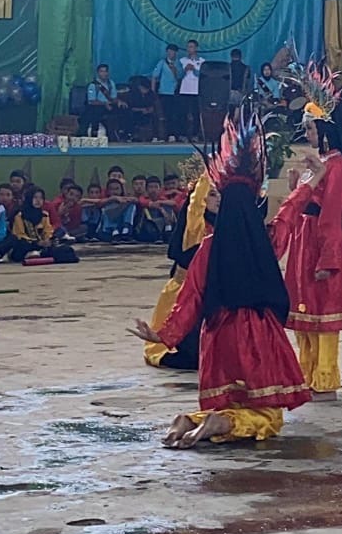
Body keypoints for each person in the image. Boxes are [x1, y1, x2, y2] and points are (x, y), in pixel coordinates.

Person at [128, 112, 311, 448]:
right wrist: (307, 182)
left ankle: (191, 420)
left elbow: (190, 299)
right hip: (257, 335)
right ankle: (217, 423)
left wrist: (161, 334)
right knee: (269, 416)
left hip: (218, 335)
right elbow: (288, 215)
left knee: (228, 399)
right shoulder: (266, 240)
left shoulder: (209, 248)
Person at [272, 81, 342, 402]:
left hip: (322, 242)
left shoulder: (338, 166)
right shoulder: (322, 163)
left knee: (324, 316)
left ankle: (325, 377)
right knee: (305, 314)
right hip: (305, 240)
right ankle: (305, 373)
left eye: (313, 128)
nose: (309, 133)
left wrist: (328, 260)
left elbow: (331, 214)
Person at [143, 177, 215, 371]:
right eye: (212, 195)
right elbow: (196, 205)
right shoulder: (195, 227)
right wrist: (208, 173)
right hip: (185, 297)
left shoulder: (228, 224)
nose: (218, 200)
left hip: (215, 296)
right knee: (193, 356)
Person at [11, 186, 57, 262]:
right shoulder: (20, 215)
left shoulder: (44, 215)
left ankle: (38, 253)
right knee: (21, 244)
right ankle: (32, 254)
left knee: (59, 243)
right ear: (29, 198)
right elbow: (19, 234)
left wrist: (47, 239)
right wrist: (36, 243)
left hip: (41, 245)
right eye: (35, 197)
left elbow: (48, 230)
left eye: (41, 198)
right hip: (28, 244)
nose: (38, 200)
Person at [151, 43, 183, 142]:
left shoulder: (178, 63)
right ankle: (161, 136)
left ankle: (172, 134)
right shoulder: (162, 62)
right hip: (164, 92)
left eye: (172, 52)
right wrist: (153, 92)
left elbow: (180, 77)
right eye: (169, 52)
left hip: (174, 93)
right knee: (163, 114)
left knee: (173, 115)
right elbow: (154, 76)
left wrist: (174, 70)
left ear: (176, 53)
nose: (170, 54)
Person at [86, 64, 126, 139]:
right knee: (95, 112)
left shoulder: (111, 83)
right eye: (101, 71)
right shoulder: (93, 85)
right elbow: (91, 101)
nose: (104, 73)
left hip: (109, 106)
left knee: (125, 109)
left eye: (105, 71)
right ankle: (94, 134)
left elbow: (113, 98)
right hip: (97, 106)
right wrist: (104, 104)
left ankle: (123, 133)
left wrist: (119, 101)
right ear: (98, 73)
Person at [178, 39, 204, 142]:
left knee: (196, 113)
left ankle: (195, 135)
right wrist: (185, 70)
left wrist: (194, 69)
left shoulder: (202, 61)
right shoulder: (182, 60)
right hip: (184, 90)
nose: (189, 49)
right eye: (188, 47)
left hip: (196, 91)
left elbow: (202, 76)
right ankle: (183, 134)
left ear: (196, 48)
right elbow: (178, 76)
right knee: (183, 113)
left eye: (192, 47)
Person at [96, 178, 136, 243]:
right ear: (108, 191)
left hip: (120, 230)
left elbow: (136, 200)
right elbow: (99, 203)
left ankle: (126, 230)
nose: (114, 191)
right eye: (111, 189)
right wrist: (113, 198)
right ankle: (115, 230)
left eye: (117, 189)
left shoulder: (124, 201)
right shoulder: (106, 201)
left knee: (131, 206)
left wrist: (125, 199)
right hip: (106, 232)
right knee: (109, 208)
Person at [122, 76, 158, 142]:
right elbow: (130, 108)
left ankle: (155, 135)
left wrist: (149, 110)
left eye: (146, 89)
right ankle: (130, 135)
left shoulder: (150, 94)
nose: (145, 91)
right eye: (143, 88)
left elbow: (153, 105)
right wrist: (141, 110)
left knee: (154, 116)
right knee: (129, 116)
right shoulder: (132, 94)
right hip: (135, 113)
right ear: (139, 87)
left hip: (147, 113)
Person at [228, 49, 252, 113]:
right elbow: (248, 84)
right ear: (241, 57)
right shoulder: (247, 68)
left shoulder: (227, 68)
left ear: (231, 56)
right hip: (241, 94)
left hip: (228, 94)